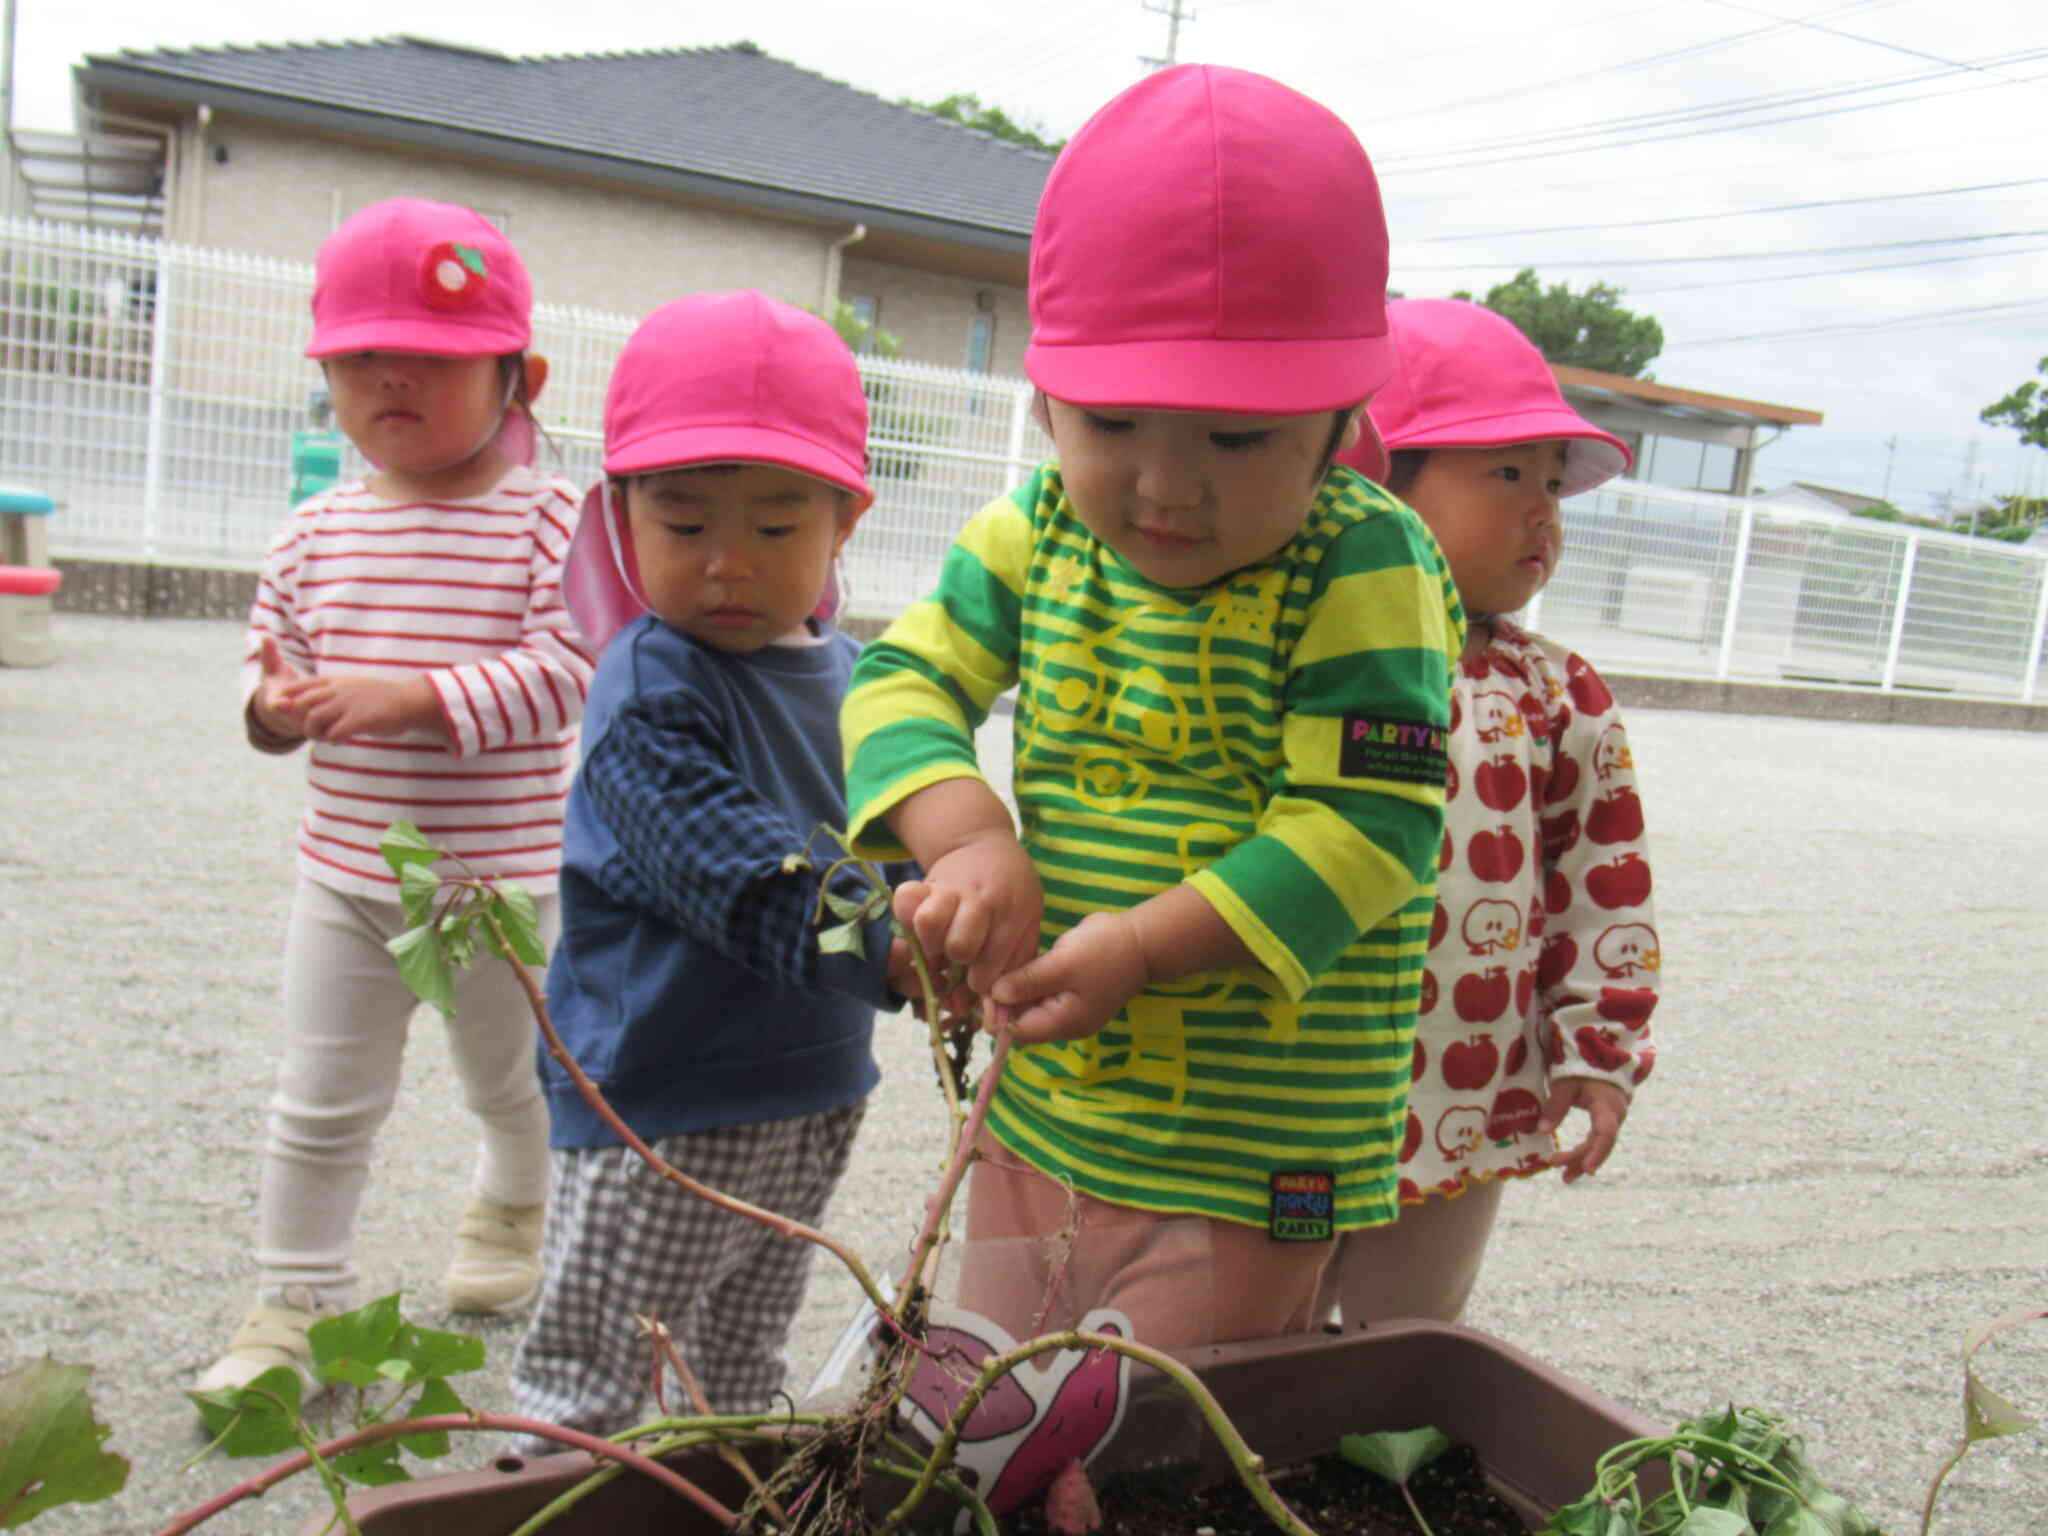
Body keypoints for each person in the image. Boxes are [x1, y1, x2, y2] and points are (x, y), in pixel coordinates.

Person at [839, 64, 1464, 1356]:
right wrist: (964, 839)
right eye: (1114, 421)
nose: (1165, 486)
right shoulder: (1039, 531)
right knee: (989, 1399)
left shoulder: (1366, 563)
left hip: (1253, 1145)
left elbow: (1364, 829)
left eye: (1237, 440)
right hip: (1043, 1100)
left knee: (1164, 1431)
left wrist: (1141, 950)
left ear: (1346, 423)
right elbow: (899, 679)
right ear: (1046, 395)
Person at [198, 198, 593, 1394]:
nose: (388, 382)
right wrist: (272, 709)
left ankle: (513, 1210)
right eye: (358, 359)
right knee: (318, 1101)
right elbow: (272, 664)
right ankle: (292, 1309)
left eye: (428, 358)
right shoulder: (311, 532)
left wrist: (416, 696)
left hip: (495, 884)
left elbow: (569, 671)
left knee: (511, 1081)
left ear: (518, 377)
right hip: (346, 877)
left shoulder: (550, 518)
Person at [509, 291, 909, 1443]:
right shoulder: (648, 688)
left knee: (738, 1380)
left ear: (845, 521)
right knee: (594, 1383)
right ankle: (552, 1504)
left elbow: (899, 825)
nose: (727, 564)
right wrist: (889, 938)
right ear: (619, 514)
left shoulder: (856, 673)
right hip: (667, 1102)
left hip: (815, 1086)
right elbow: (737, 871)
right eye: (684, 527)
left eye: (776, 528)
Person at [1319, 297, 1661, 1327]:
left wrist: (1598, 1050)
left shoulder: (1555, 694)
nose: (1543, 512)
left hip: (1463, 1101)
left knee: (1406, 1340)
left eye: (1552, 482)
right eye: (1505, 474)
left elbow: (1602, 885)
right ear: (1373, 477)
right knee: (1245, 1338)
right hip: (1286, 1092)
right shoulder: (1299, 653)